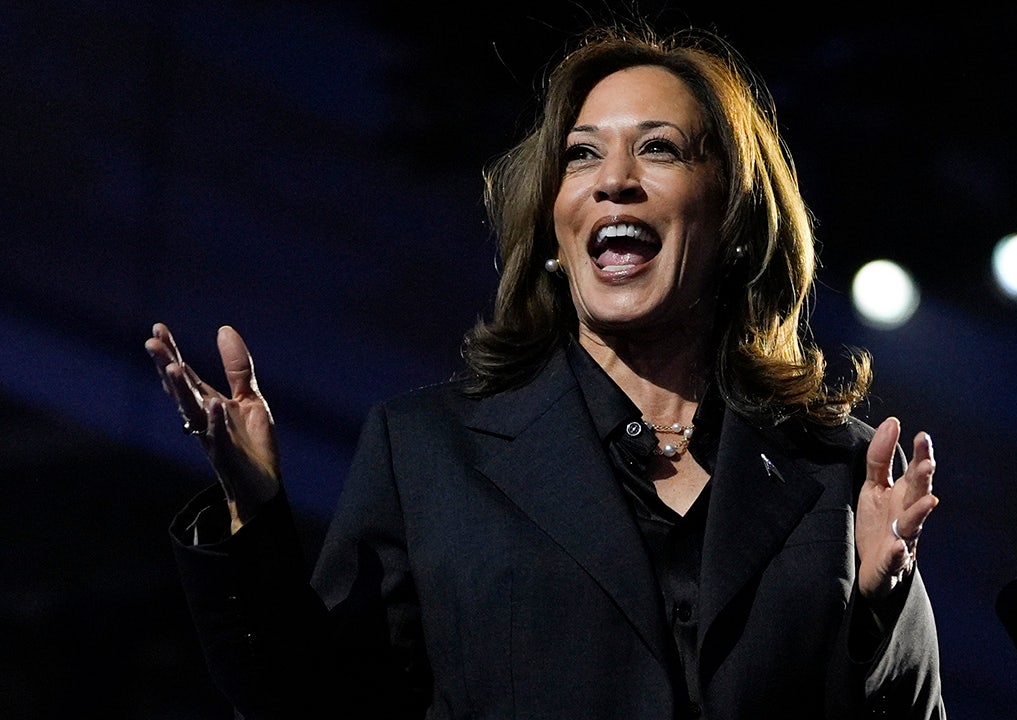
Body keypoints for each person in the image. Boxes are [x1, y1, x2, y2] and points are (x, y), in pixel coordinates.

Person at [146, 22, 945, 719]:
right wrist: (255, 515)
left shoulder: (841, 470)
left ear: (733, 218)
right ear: (555, 231)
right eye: (582, 155)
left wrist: (879, 611)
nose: (614, 179)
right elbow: (312, 701)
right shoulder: (427, 451)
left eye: (659, 149)